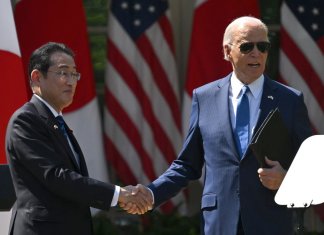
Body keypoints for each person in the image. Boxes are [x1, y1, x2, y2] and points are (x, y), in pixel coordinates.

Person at [121, 16, 313, 235]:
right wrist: (151, 193)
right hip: (219, 223)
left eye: (263, 46)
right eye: (247, 46)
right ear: (227, 51)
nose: (256, 53)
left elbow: (312, 166)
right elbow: (187, 165)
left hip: (271, 222)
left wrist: (287, 179)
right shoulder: (204, 98)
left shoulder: (290, 100)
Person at [5, 42, 150, 235]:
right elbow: (57, 177)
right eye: (63, 73)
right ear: (37, 77)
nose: (71, 81)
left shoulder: (56, 121)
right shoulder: (25, 120)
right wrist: (120, 194)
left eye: (74, 74)